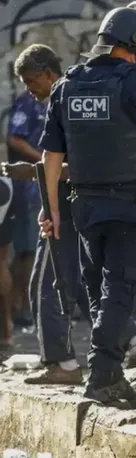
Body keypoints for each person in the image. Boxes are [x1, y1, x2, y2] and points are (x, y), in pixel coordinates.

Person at [38, 2, 136, 406]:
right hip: (130, 208)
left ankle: (107, 372)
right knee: (118, 291)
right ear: (135, 44)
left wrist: (51, 208)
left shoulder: (67, 84)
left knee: (98, 292)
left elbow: (51, 157)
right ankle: (104, 373)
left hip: (85, 208)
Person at [6, 47, 53, 330]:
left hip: (42, 187)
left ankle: (21, 306)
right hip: (26, 188)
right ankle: (15, 307)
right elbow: (15, 139)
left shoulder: (52, 102)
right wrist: (45, 161)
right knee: (25, 252)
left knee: (34, 251)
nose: (31, 87)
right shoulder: (27, 104)